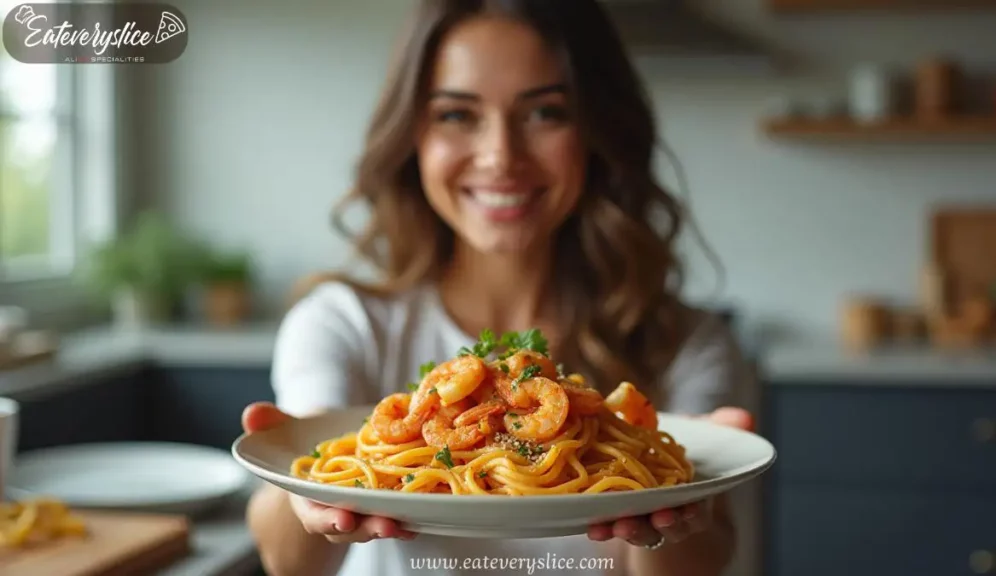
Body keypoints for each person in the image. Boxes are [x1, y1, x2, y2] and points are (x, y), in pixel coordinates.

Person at [242, 0, 755, 574]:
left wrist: (670, 505)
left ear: (596, 129)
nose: (501, 157)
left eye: (545, 113)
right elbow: (289, 563)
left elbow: (705, 562)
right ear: (412, 138)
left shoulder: (686, 340)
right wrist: (300, 486)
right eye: (457, 115)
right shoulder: (340, 323)